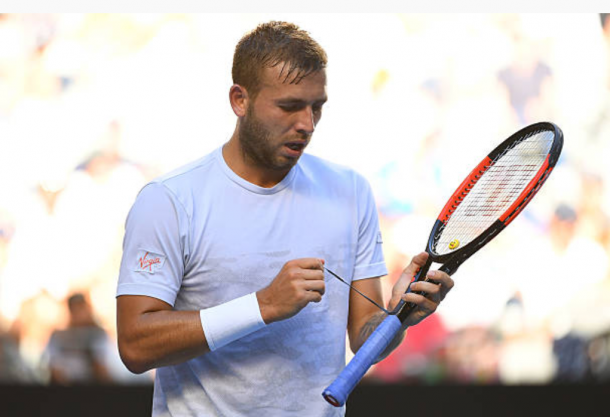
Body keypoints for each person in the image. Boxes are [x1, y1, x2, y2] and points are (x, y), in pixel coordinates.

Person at [116, 21, 454, 417]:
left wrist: (399, 317)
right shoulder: (170, 200)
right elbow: (136, 346)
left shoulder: (350, 191)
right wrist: (263, 305)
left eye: (317, 107)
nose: (307, 124)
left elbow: (364, 337)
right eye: (290, 106)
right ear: (239, 100)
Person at [45, 293, 112, 384]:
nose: (78, 313)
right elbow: (54, 369)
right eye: (74, 308)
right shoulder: (57, 336)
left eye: (80, 307)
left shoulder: (98, 334)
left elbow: (101, 369)